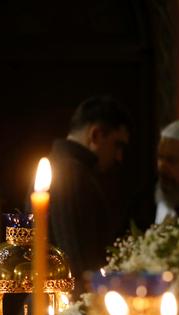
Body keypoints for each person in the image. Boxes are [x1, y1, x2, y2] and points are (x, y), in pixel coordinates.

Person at [44, 95, 132, 286]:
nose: (119, 157)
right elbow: (76, 262)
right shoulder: (70, 173)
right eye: (118, 145)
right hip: (67, 307)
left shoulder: (66, 168)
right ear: (96, 135)